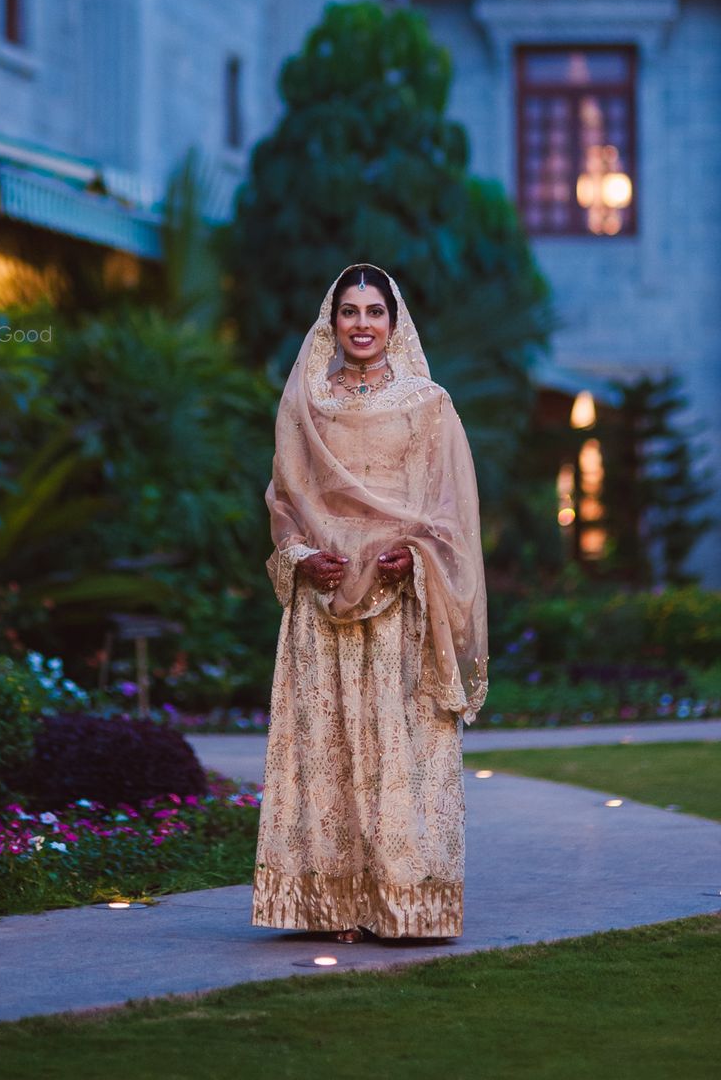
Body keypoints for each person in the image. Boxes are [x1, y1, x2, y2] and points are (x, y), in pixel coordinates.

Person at [251, 262, 488, 943]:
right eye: (349, 311)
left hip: (400, 606)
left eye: (373, 311)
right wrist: (301, 557)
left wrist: (413, 557)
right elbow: (283, 506)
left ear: (394, 321)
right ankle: (329, 905)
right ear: (333, 323)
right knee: (326, 748)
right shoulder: (304, 404)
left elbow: (451, 515)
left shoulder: (427, 404)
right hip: (321, 606)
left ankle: (404, 903)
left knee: (399, 751)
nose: (361, 323)